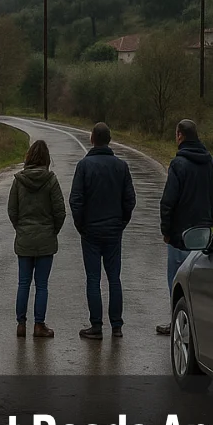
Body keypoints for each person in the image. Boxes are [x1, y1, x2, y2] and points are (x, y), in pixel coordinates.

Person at [69, 122, 136, 340]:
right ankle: (116, 326)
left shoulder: (84, 166)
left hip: (91, 230)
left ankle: (96, 326)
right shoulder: (121, 166)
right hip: (113, 229)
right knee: (114, 278)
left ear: (92, 139)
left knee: (93, 278)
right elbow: (130, 200)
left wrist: (81, 226)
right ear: (109, 139)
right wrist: (121, 222)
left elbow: (76, 200)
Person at [157, 119, 213, 335]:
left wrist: (166, 231)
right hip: (203, 234)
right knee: (199, 281)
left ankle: (178, 322)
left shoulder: (178, 164)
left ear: (180, 136)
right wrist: (207, 218)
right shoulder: (211, 162)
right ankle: (198, 325)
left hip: (179, 236)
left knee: (176, 281)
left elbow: (168, 201)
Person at [8, 140, 66, 338]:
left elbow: (12, 210)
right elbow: (60, 212)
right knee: (41, 285)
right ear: (47, 159)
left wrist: (20, 228)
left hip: (24, 238)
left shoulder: (18, 180)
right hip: (45, 239)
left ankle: (21, 324)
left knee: (23, 283)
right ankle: (39, 325)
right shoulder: (51, 180)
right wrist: (52, 231)